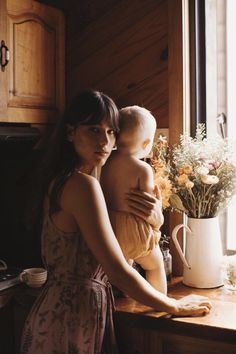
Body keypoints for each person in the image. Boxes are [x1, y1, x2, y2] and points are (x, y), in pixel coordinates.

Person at [20, 90, 212, 354]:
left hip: (66, 314)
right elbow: (117, 269)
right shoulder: (82, 185)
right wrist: (173, 306)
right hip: (68, 320)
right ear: (70, 133)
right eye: (94, 130)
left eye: (111, 132)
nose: (104, 142)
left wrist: (154, 217)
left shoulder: (73, 179)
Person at [101, 105, 166, 293]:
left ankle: (130, 296)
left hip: (111, 228)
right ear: (146, 143)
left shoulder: (105, 162)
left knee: (126, 267)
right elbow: (147, 206)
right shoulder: (143, 169)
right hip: (134, 229)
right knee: (154, 264)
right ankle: (160, 300)